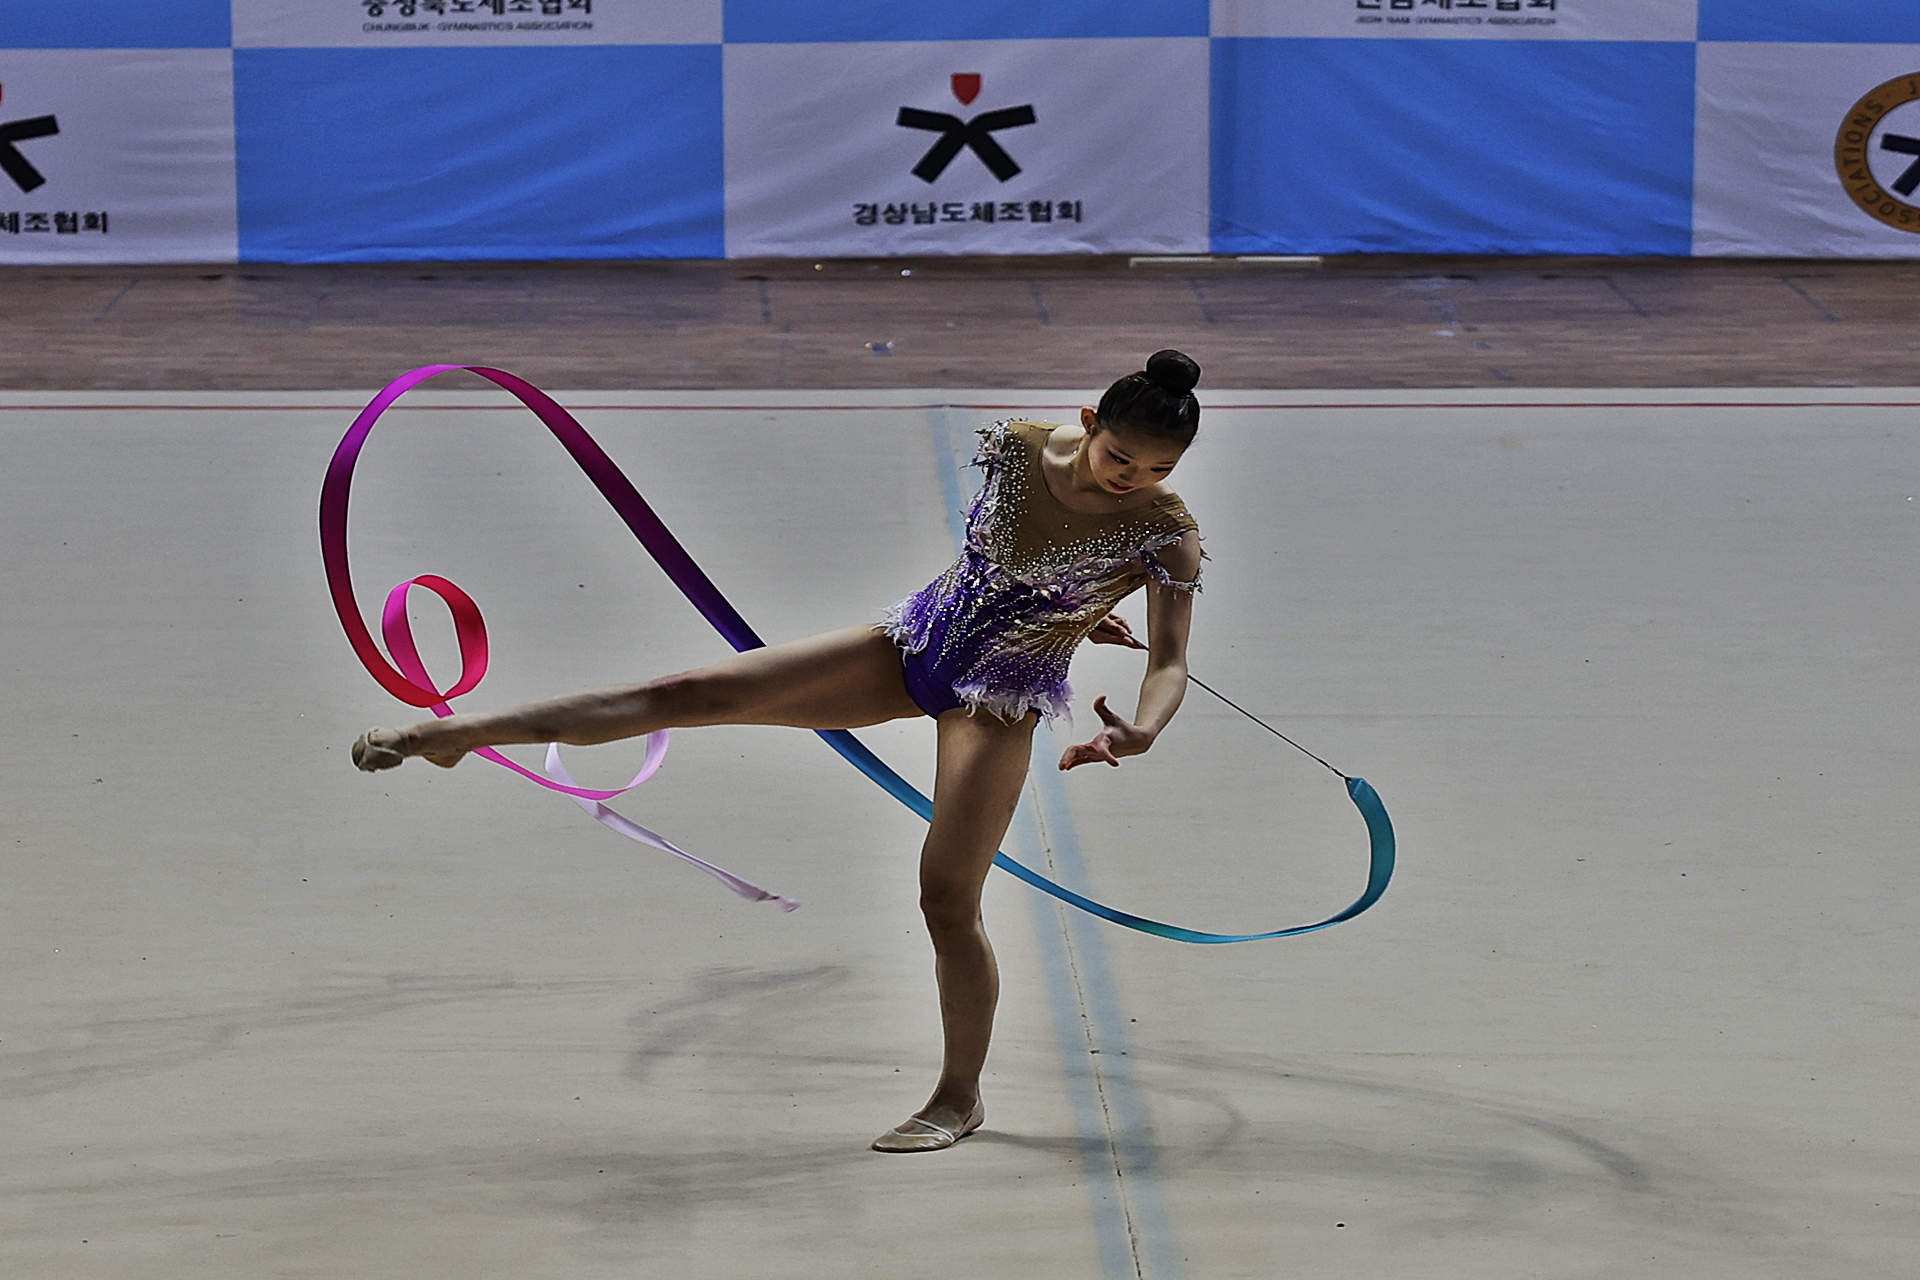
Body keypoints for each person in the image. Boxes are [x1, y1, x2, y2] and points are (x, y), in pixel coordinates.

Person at [351, 349, 1206, 1152]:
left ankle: (959, 1096)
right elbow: (1016, 553)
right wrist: (1075, 600)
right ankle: (456, 734)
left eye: (1158, 468)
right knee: (689, 690)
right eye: (1120, 456)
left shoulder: (1164, 531)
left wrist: (1143, 725)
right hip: (913, 644)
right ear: (1088, 421)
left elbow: (1170, 661)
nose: (1132, 477)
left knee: (947, 900)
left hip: (997, 700)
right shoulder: (1018, 446)